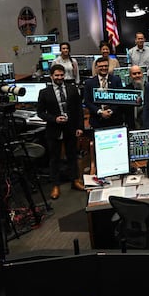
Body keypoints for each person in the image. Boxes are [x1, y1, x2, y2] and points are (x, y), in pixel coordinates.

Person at [37, 64, 84, 200]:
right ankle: (55, 185)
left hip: (70, 128)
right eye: (56, 75)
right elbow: (40, 112)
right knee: (54, 159)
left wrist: (80, 127)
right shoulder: (45, 93)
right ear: (51, 76)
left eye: (61, 75)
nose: (59, 78)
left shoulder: (72, 89)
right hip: (54, 129)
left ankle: (75, 181)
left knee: (72, 156)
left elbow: (79, 110)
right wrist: (54, 119)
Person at [84, 56, 124, 129]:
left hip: (114, 119)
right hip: (97, 120)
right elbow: (87, 102)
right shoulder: (89, 83)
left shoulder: (116, 80)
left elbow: (120, 99)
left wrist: (111, 111)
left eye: (106, 66)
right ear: (96, 68)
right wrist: (100, 112)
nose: (104, 68)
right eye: (101, 66)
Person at [125, 64, 145, 130]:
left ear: (142, 74)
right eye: (134, 74)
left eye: (139, 73)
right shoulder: (126, 90)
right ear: (130, 76)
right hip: (131, 125)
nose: (137, 75)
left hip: (146, 125)